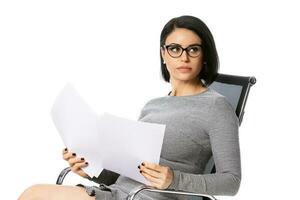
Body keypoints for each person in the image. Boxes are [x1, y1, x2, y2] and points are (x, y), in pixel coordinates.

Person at [18, 15, 241, 200]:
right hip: (118, 193)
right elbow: (127, 174)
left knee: (34, 196)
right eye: (174, 49)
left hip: (150, 197)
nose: (183, 57)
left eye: (193, 49)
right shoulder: (153, 106)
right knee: (32, 194)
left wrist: (174, 179)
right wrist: (91, 171)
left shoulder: (216, 107)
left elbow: (231, 182)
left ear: (204, 56)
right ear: (164, 54)